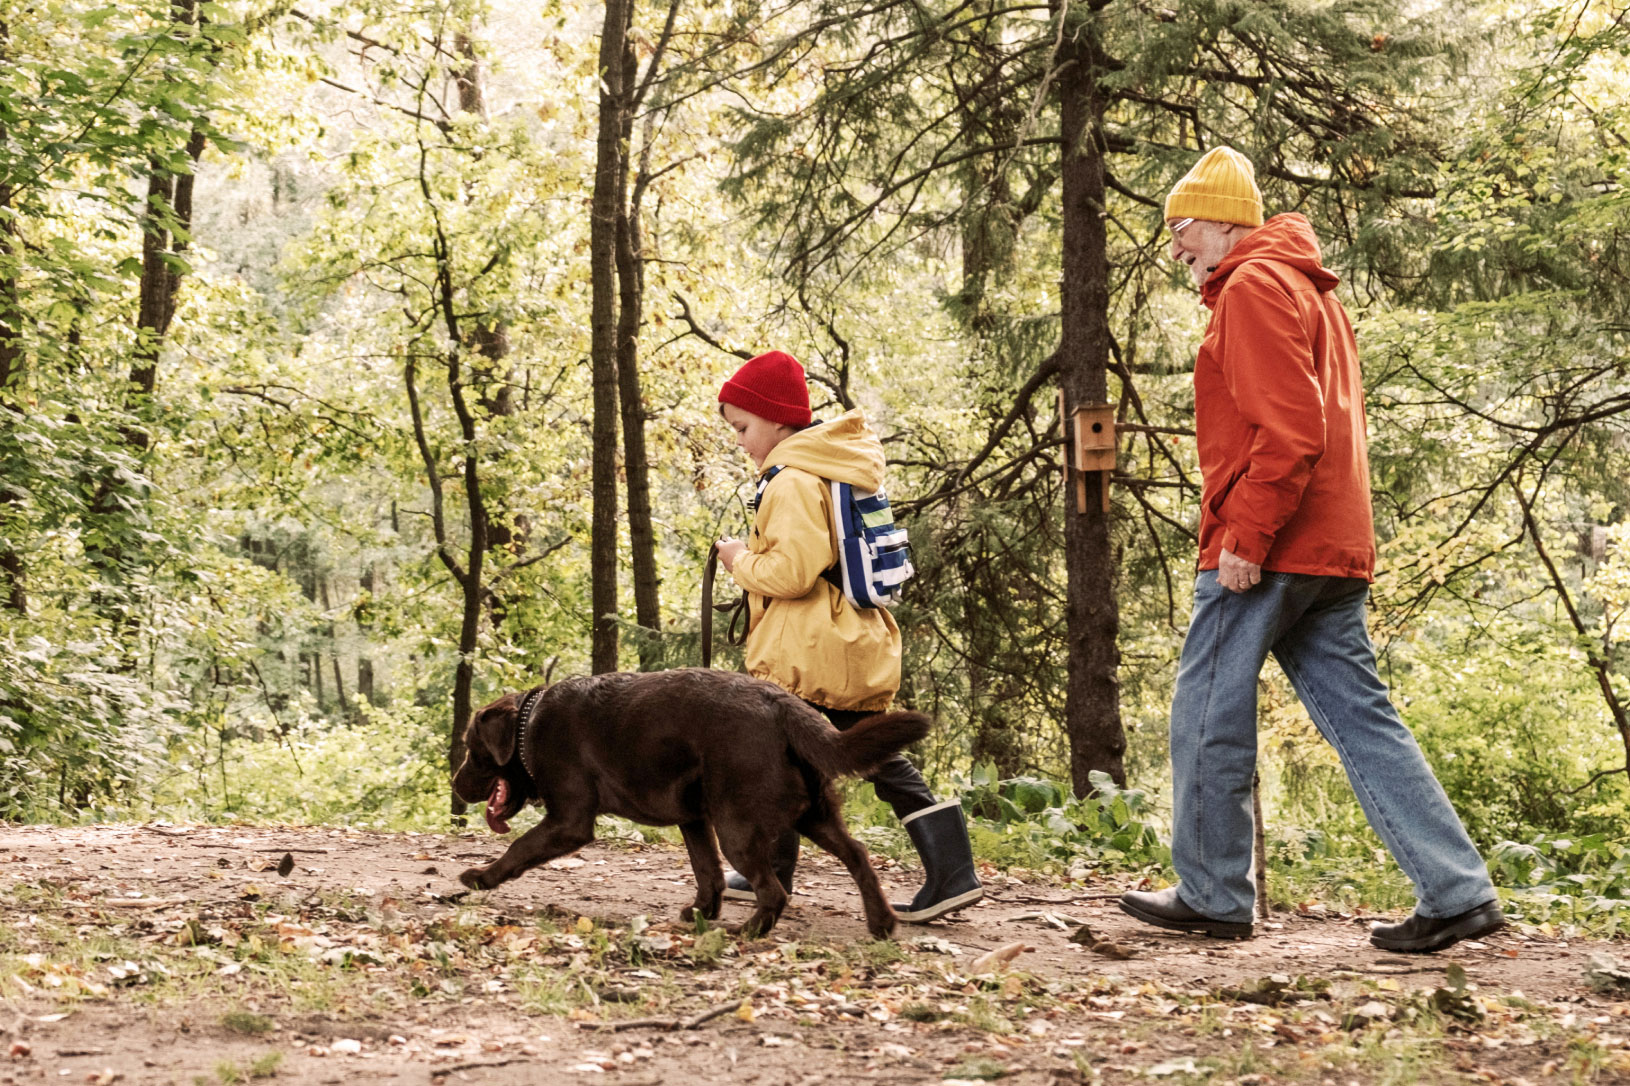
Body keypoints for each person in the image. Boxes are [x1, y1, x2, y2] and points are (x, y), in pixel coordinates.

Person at [1118, 148, 1504, 953]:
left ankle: (1212, 892)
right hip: (1331, 545)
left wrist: (1244, 538)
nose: (1177, 246)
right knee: (1364, 719)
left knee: (1205, 710)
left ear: (1223, 219)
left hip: (1273, 542)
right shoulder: (1305, 289)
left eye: (1182, 228)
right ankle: (1456, 889)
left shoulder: (1254, 288)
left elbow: (1289, 432)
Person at [713, 349, 983, 922]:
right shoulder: (828, 468)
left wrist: (739, 559)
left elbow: (791, 572)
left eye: (743, 427)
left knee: (803, 754)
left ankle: (949, 871)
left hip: (811, 649)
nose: (739, 440)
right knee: (835, 755)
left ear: (777, 419)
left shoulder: (790, 481)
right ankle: (778, 869)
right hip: (846, 639)